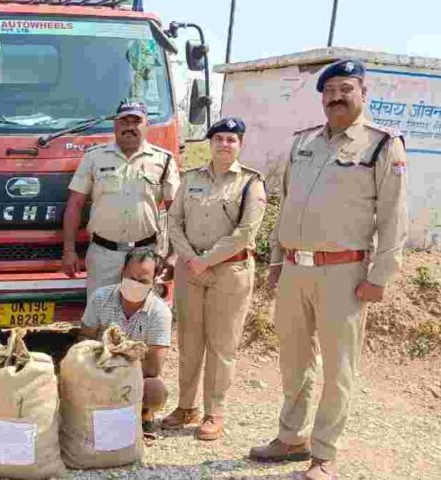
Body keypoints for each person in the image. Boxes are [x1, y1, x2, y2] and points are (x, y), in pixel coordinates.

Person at [249, 59, 408, 480]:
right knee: (293, 360)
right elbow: (286, 205)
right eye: (329, 90)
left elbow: (394, 217)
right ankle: (291, 437)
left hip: (345, 274)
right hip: (295, 270)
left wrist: (380, 276)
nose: (336, 97)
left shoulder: (382, 145)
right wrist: (277, 260)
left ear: (363, 93)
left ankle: (324, 452)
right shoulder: (303, 143)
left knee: (338, 367)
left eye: (345, 89)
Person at [162, 117, 266, 440]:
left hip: (230, 272)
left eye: (231, 140)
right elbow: (174, 221)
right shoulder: (190, 179)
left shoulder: (251, 183)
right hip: (191, 270)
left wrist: (206, 259)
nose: (224, 144)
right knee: (189, 342)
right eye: (219, 138)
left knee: (222, 346)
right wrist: (192, 259)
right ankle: (186, 406)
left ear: (241, 145)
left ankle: (214, 413)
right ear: (210, 143)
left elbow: (246, 231)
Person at [62, 101, 180, 299]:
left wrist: (174, 254)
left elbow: (175, 211)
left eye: (136, 121)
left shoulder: (164, 160)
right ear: (115, 125)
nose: (130, 127)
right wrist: (69, 250)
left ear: (146, 125)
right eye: (124, 121)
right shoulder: (94, 158)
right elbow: (75, 204)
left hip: (144, 255)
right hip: (103, 255)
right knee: (100, 317)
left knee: (138, 319)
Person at [77, 247, 171, 434]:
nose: (135, 284)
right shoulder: (100, 297)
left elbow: (153, 367)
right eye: (131, 277)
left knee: (155, 390)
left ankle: (143, 415)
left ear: (153, 282)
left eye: (143, 280)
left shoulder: (160, 312)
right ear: (122, 273)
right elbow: (84, 338)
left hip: (135, 376)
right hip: (100, 370)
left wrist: (119, 369)